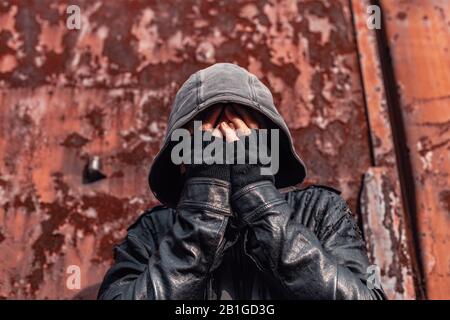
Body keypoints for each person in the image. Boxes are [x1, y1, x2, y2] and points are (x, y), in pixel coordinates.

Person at [97, 63, 386, 300]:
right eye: (206, 143)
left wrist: (259, 198)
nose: (225, 149)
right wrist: (203, 215)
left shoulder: (320, 211)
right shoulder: (153, 230)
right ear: (183, 158)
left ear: (268, 150)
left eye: (243, 138)